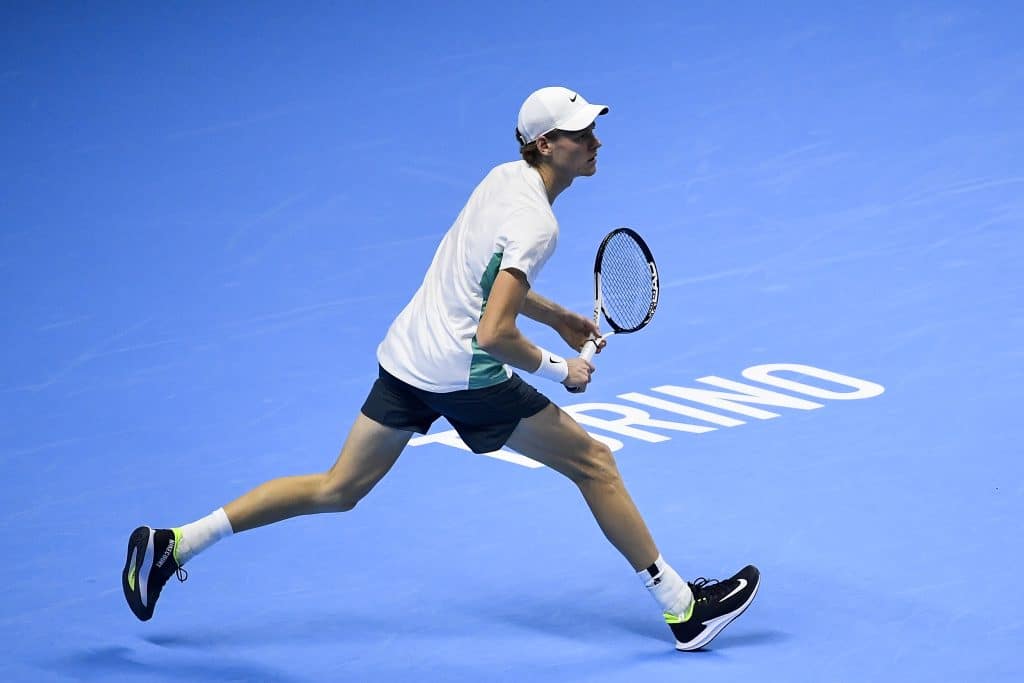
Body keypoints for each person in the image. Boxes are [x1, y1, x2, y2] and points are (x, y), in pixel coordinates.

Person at [121, 86, 760, 651]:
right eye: (580, 134)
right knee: (595, 463)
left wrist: (559, 316)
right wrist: (558, 367)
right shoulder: (537, 225)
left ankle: (173, 543)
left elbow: (475, 283)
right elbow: (493, 331)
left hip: (409, 355)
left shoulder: (500, 179)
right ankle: (683, 610)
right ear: (546, 145)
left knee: (337, 488)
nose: (595, 141)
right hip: (464, 371)